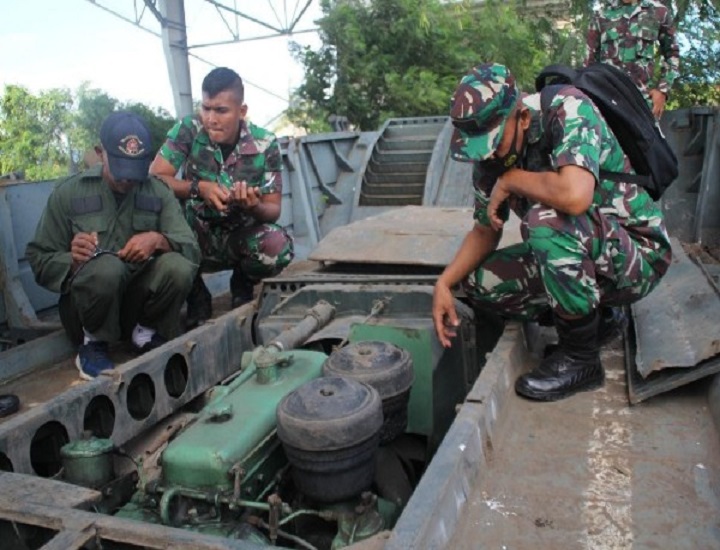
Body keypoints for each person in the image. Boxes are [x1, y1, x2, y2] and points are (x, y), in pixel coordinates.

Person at [433, 63, 672, 402]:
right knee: (479, 283)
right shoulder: (491, 157)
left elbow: (574, 197)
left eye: (494, 144)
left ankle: (581, 359)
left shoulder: (568, 108)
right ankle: (600, 319)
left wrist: (512, 180)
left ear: (522, 118)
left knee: (544, 222)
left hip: (639, 255)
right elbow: (485, 231)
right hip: (591, 253)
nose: (487, 156)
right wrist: (444, 284)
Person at [26, 112, 200, 380]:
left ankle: (145, 333)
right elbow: (38, 259)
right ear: (100, 153)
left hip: (135, 306)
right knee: (107, 268)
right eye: (120, 168)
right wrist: (72, 261)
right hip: (86, 312)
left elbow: (191, 250)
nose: (127, 180)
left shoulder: (158, 191)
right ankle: (92, 344)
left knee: (177, 266)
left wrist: (158, 240)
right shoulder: (69, 194)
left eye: (134, 169)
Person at [149, 67, 294, 328]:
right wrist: (199, 188)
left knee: (277, 245)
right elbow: (156, 178)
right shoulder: (188, 130)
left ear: (242, 111)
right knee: (154, 230)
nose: (211, 119)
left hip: (238, 236)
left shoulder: (265, 143)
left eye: (221, 110)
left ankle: (242, 282)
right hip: (194, 235)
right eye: (206, 108)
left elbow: (273, 209)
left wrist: (254, 206)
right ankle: (196, 293)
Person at [585, 0, 680, 119]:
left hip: (642, 104)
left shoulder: (659, 12)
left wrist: (662, 90)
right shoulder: (602, 15)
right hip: (606, 102)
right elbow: (589, 63)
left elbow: (672, 54)